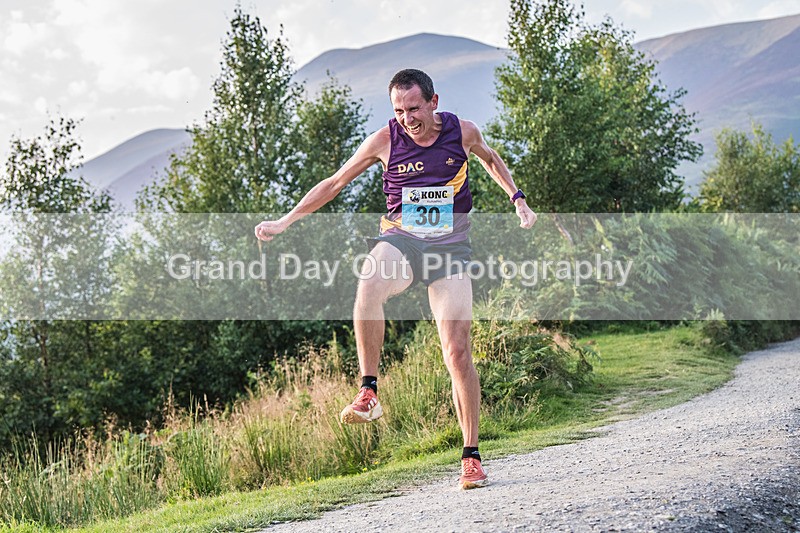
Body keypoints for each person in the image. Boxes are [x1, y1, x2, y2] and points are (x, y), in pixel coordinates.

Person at [255, 69, 536, 490]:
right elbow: (335, 183)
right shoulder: (384, 140)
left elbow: (490, 158)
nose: (407, 119)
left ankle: (471, 456)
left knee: (457, 352)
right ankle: (368, 391)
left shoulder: (463, 132)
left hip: (449, 250)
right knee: (369, 283)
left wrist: (518, 200)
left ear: (434, 102)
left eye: (414, 108)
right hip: (402, 240)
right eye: (399, 111)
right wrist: (286, 220)